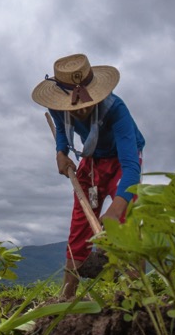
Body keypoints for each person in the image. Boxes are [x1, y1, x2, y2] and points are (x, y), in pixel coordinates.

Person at [31, 53, 144, 300]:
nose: (80, 112)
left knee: (127, 219)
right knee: (80, 221)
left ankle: (140, 293)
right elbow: (62, 128)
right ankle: (67, 294)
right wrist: (61, 152)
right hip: (92, 159)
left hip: (122, 160)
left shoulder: (116, 111)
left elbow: (131, 168)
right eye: (75, 107)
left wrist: (116, 208)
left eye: (85, 106)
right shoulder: (58, 106)